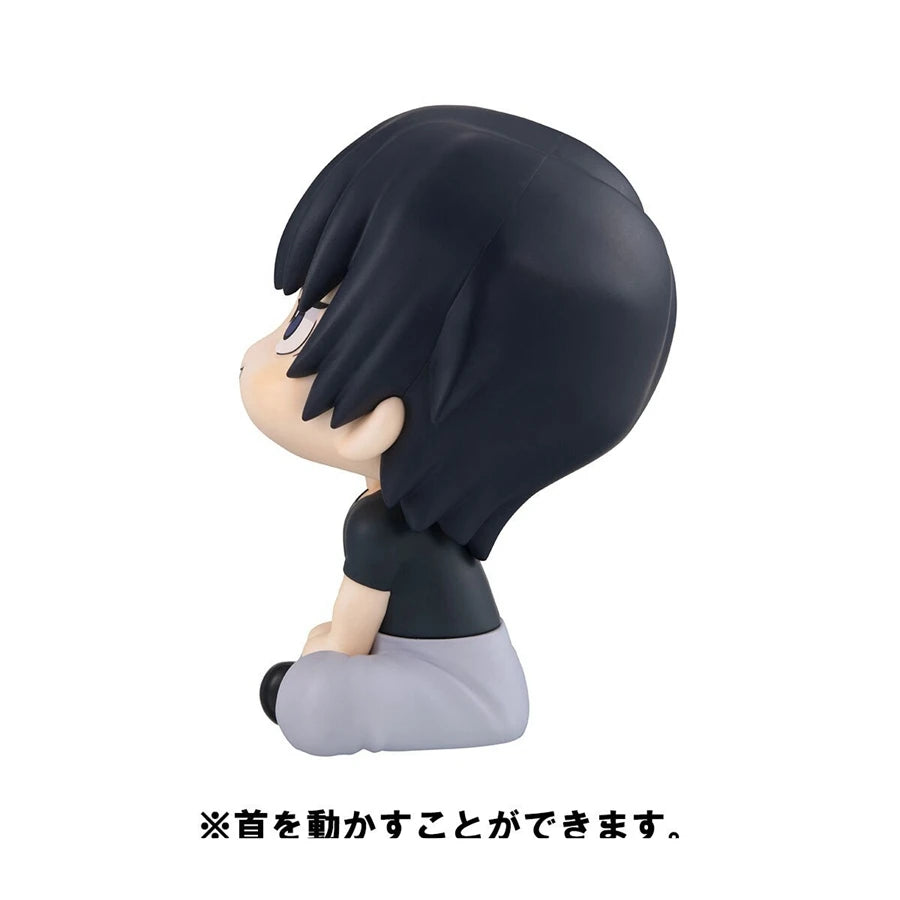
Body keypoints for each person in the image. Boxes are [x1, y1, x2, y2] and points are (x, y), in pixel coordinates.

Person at [238, 105, 676, 755]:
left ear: (374, 424)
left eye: (306, 326)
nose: (257, 352)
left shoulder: (381, 526)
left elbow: (352, 630)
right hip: (460, 680)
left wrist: (328, 659)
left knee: (311, 697)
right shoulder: (403, 516)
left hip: (465, 699)